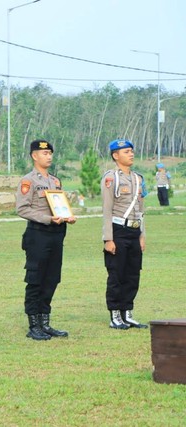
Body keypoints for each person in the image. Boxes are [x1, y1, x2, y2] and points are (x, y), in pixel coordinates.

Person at [16, 139, 76, 341]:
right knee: (36, 279)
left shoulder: (55, 181)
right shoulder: (28, 181)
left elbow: (59, 205)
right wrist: (48, 219)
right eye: (44, 153)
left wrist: (67, 216)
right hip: (38, 234)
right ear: (34, 155)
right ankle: (34, 324)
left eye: (50, 153)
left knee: (51, 278)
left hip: (56, 233)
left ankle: (45, 322)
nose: (49, 156)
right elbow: (22, 208)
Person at [102, 139, 147, 330]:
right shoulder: (111, 178)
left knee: (132, 274)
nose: (131, 154)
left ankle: (127, 312)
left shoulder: (138, 178)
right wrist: (108, 238)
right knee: (117, 274)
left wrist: (142, 235)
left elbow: (141, 209)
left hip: (134, 230)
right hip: (118, 230)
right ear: (115, 155)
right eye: (126, 151)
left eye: (131, 151)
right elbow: (107, 209)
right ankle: (115, 315)